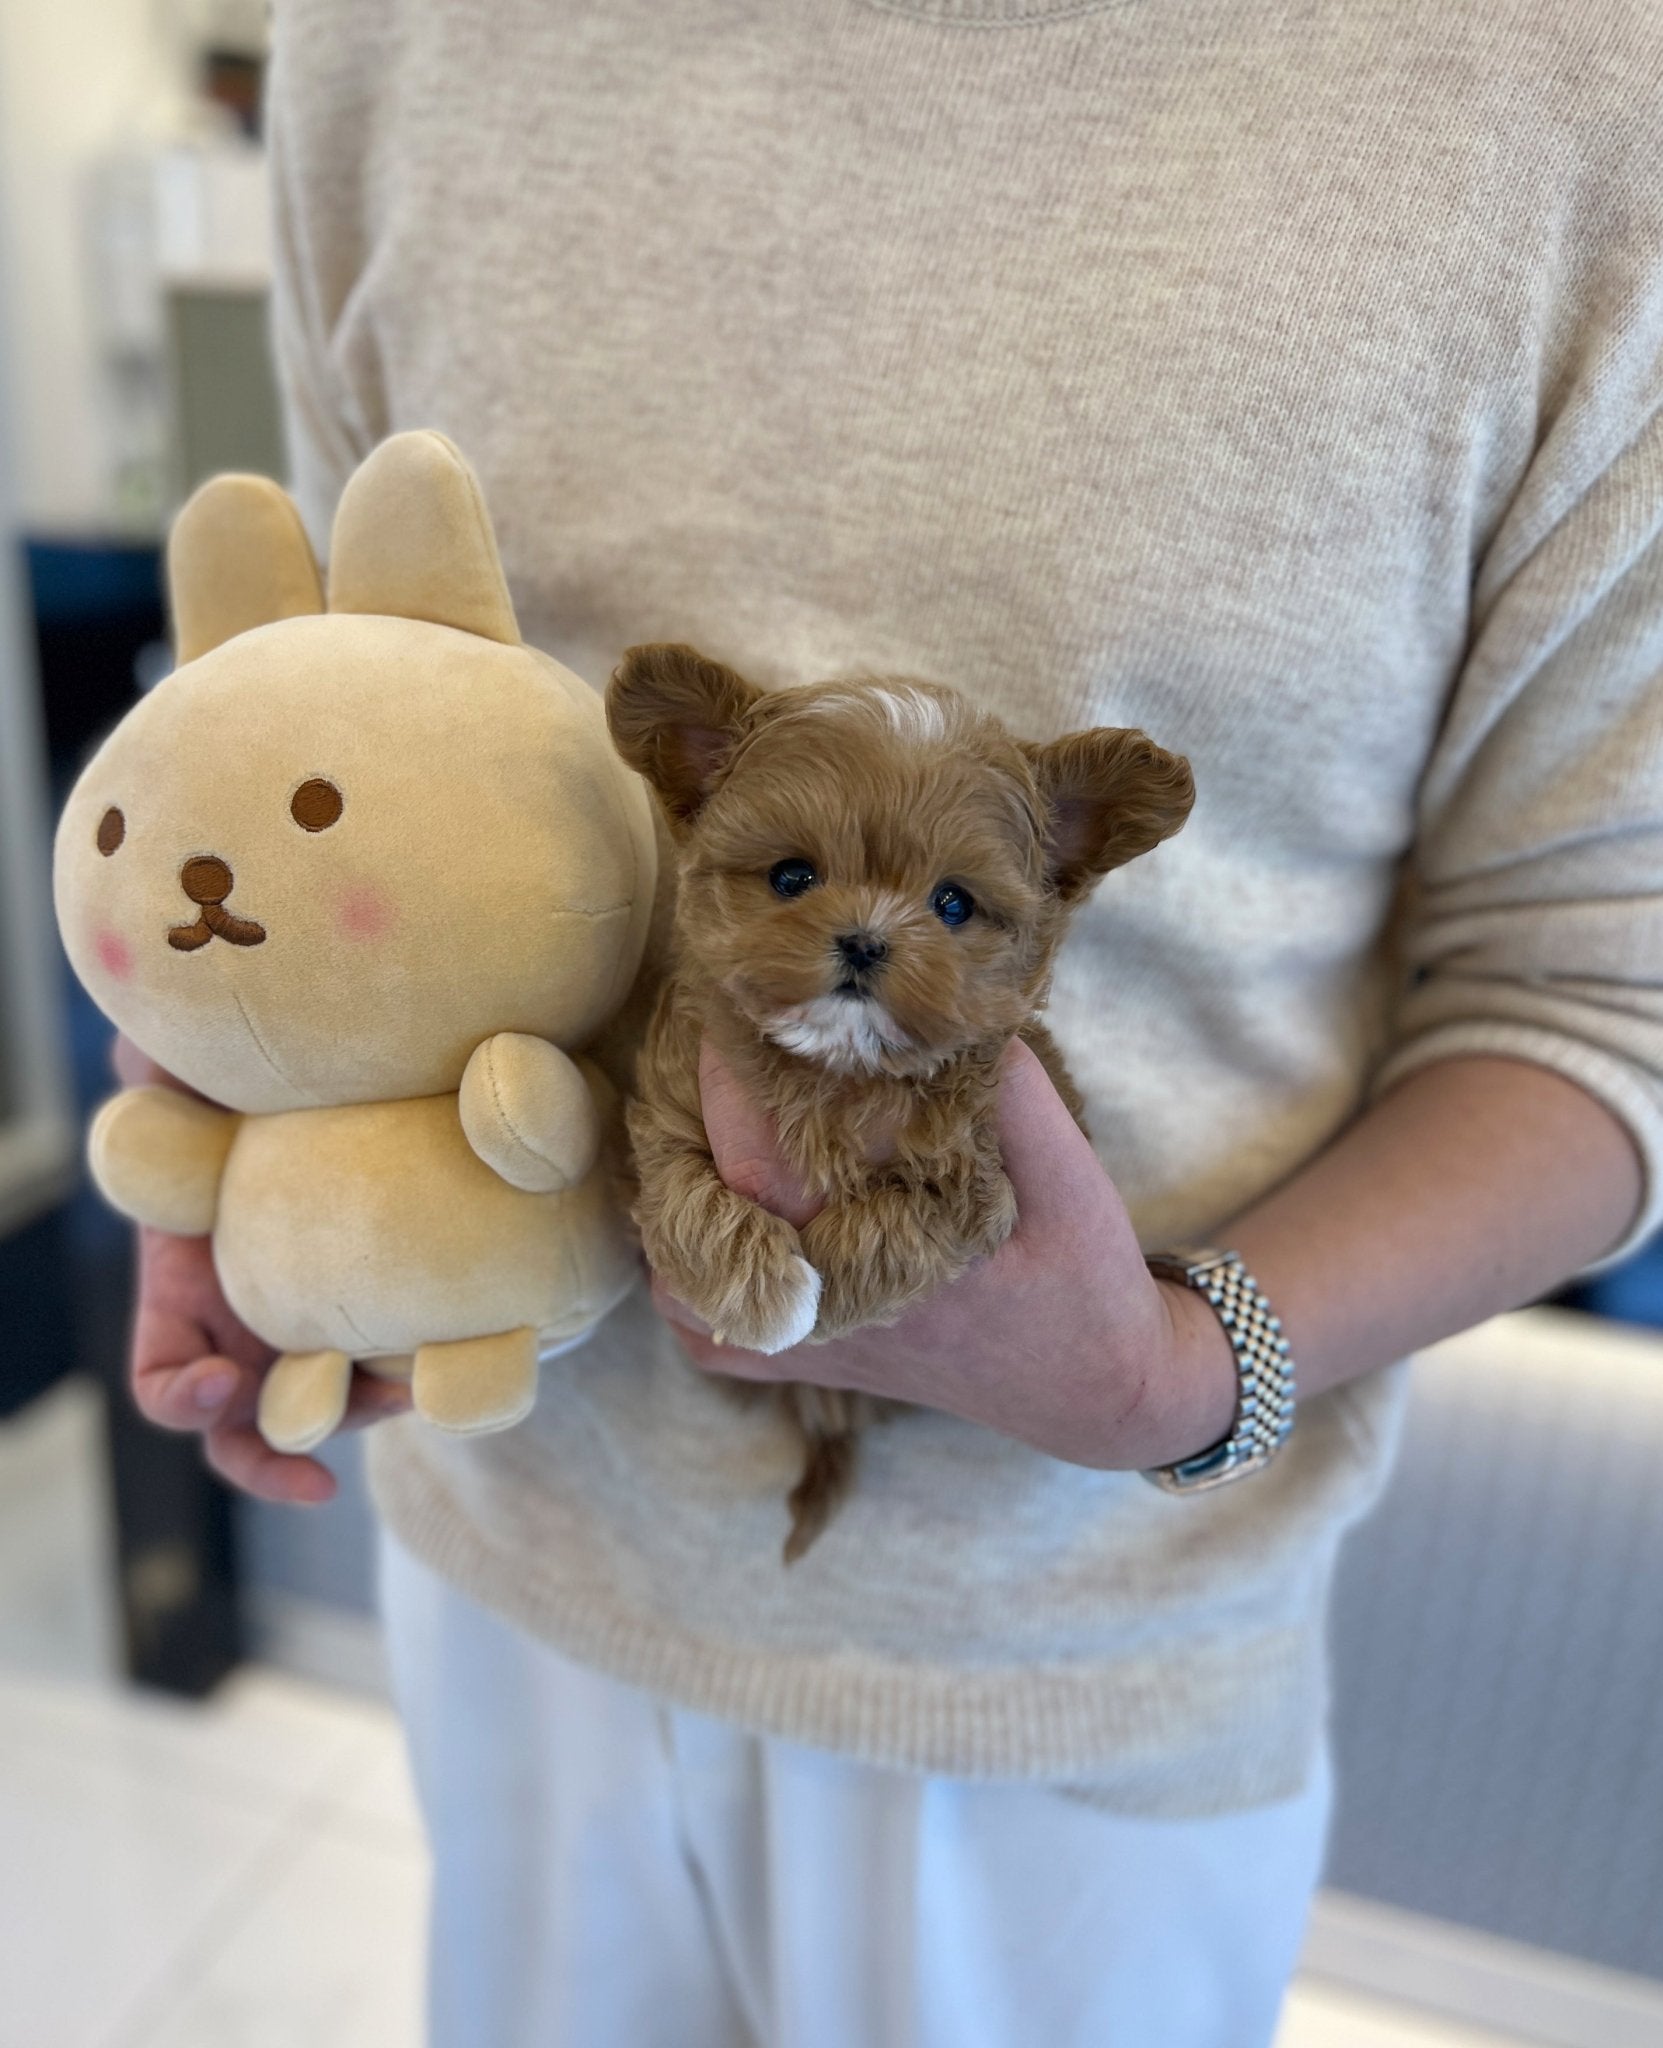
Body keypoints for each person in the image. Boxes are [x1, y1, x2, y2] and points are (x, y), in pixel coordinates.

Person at [125, 2, 1663, 2043]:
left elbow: (1594, 985)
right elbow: (359, 726)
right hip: (505, 1543)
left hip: (1060, 1675)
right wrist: (256, 1101)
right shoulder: (389, 37)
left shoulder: (1574, 95)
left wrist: (1180, 1373)